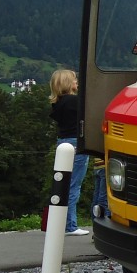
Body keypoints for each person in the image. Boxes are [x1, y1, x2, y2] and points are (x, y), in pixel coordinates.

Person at [49, 68, 90, 235]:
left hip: (62, 142)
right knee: (74, 185)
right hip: (75, 142)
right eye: (74, 80)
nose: (77, 83)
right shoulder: (74, 101)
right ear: (67, 83)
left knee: (62, 183)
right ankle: (70, 225)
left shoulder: (57, 103)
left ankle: (60, 222)